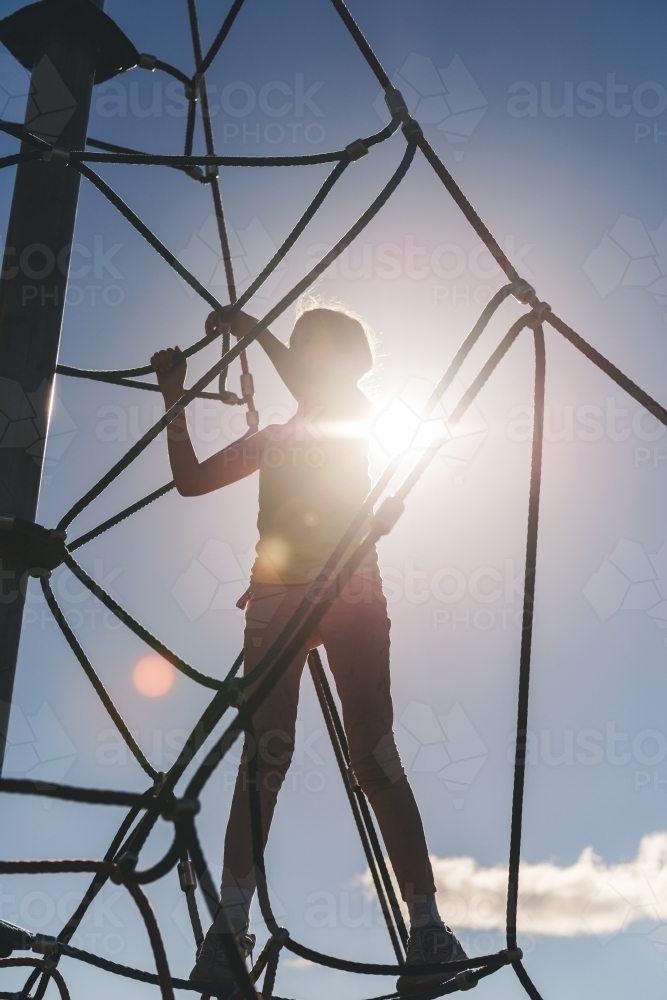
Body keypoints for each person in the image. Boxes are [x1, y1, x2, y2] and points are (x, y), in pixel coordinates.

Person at [151, 301, 467, 996]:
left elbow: (313, 386)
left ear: (352, 366)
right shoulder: (275, 434)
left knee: (372, 754)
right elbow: (191, 479)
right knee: (266, 751)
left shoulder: (349, 412)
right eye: (304, 349)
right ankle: (229, 929)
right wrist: (174, 397)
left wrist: (253, 327)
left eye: (323, 351)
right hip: (276, 592)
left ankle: (427, 929)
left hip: (349, 585)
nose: (310, 363)